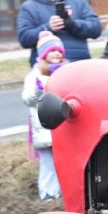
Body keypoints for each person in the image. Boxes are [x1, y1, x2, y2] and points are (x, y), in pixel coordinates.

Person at [17, 0, 101, 65]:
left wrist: (72, 25)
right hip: (47, 68)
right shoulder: (29, 7)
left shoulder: (79, 1)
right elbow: (24, 39)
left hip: (79, 64)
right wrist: (48, 28)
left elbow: (96, 29)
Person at [23, 33, 68, 199]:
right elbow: (28, 100)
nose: (57, 53)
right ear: (43, 54)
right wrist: (37, 90)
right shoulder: (34, 76)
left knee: (64, 160)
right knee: (48, 161)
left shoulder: (66, 71)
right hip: (45, 125)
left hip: (64, 125)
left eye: (59, 51)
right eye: (52, 50)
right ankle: (48, 192)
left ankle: (64, 191)